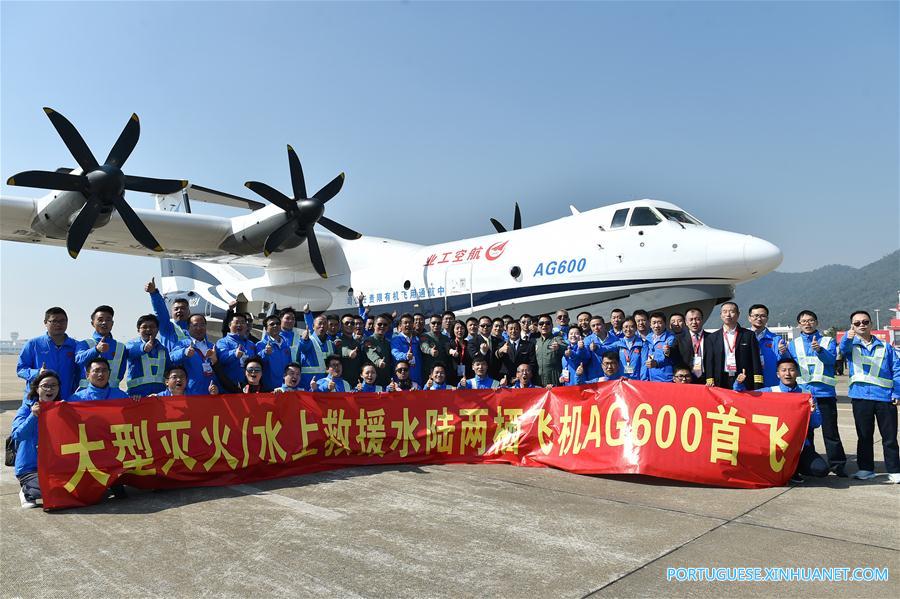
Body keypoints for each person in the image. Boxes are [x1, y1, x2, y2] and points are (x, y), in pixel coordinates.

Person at [735, 357, 828, 484]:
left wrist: (811, 411)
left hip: (798, 447)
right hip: (773, 446)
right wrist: (739, 384)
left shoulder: (806, 394)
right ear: (778, 374)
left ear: (797, 373)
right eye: (783, 370)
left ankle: (795, 468)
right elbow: (744, 398)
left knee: (821, 470)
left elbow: (816, 424)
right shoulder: (770, 392)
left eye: (791, 370)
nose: (787, 373)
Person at [839, 311, 900, 482]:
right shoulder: (851, 345)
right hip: (861, 398)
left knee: (889, 437)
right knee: (864, 436)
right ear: (852, 326)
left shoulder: (886, 347)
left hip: (885, 398)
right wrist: (847, 336)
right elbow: (842, 350)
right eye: (857, 323)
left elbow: (897, 370)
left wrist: (897, 392)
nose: (861, 325)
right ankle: (866, 469)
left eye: (865, 321)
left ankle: (895, 470)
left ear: (871, 324)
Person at [788, 309, 847, 477]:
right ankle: (810, 464)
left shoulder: (828, 341)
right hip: (803, 396)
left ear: (817, 322)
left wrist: (820, 350)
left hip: (824, 394)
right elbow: (790, 366)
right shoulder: (794, 343)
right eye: (803, 321)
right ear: (798, 324)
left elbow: (831, 362)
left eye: (811, 320)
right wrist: (783, 352)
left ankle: (838, 465)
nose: (807, 323)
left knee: (830, 432)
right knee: (806, 433)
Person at [11, 371, 62, 508]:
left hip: (53, 465)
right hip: (30, 467)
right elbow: (17, 435)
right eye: (45, 386)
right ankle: (26, 491)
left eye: (53, 385)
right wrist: (33, 416)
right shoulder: (26, 409)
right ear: (37, 389)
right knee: (49, 488)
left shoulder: (62, 409)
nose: (50, 389)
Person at [16, 307, 80, 400]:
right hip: (38, 399)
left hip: (66, 399)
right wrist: (38, 373)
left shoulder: (76, 346)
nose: (58, 324)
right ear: (45, 322)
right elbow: (21, 369)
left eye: (62, 321)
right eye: (54, 321)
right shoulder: (33, 344)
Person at [703, 302, 762, 390]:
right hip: (720, 379)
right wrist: (710, 379)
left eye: (731, 311)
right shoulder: (712, 337)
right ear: (721, 315)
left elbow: (755, 360)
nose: (728, 314)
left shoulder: (749, 335)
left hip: (743, 378)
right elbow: (709, 361)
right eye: (724, 311)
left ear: (738, 314)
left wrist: (758, 384)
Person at [75, 305, 127, 390]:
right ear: (92, 323)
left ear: (112, 323)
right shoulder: (84, 344)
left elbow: (121, 373)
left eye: (108, 320)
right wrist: (96, 350)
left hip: (112, 395)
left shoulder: (121, 347)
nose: (104, 322)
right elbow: (78, 360)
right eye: (100, 320)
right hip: (87, 395)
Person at [170, 314, 222, 396]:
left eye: (202, 325)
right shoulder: (182, 344)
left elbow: (219, 369)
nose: (199, 328)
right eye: (195, 325)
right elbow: (172, 357)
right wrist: (184, 352)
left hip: (211, 393)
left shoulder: (212, 346)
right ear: (188, 327)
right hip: (191, 393)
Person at [125, 314, 172, 398]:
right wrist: (143, 348)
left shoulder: (163, 350)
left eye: (152, 326)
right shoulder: (131, 345)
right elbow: (130, 351)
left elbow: (168, 372)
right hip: (137, 397)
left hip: (158, 396)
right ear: (138, 330)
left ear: (157, 329)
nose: (148, 329)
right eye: (144, 327)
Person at [747, 303, 788, 387]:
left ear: (767, 318)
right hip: (749, 384)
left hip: (771, 384)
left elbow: (785, 362)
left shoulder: (777, 340)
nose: (759, 319)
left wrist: (783, 352)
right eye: (756, 316)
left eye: (763, 316)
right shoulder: (742, 338)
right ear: (749, 318)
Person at [145, 277, 190, 352]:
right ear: (171, 313)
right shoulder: (166, 327)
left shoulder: (196, 328)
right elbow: (160, 311)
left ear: (189, 312)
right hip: (171, 363)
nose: (179, 311)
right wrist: (154, 293)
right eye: (176, 309)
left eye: (183, 308)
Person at [216, 313, 258, 388]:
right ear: (229, 325)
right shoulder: (222, 342)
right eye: (237, 322)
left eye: (242, 322)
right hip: (229, 387)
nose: (239, 325)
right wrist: (234, 354)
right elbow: (222, 358)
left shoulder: (251, 344)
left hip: (248, 387)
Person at [296, 314, 334, 389]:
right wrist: (304, 340)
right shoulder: (308, 341)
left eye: (325, 324)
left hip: (325, 386)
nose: (322, 326)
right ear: (313, 326)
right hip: (307, 385)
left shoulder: (331, 344)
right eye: (320, 323)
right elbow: (303, 348)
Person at [257, 315, 292, 392]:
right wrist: (265, 353)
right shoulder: (260, 345)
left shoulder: (287, 344)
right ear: (266, 329)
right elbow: (258, 363)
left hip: (285, 389)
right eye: (272, 324)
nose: (275, 325)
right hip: (268, 390)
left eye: (277, 323)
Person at [644, 311, 679, 382]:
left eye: (659, 322)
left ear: (665, 324)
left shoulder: (671, 338)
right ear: (650, 325)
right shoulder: (648, 337)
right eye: (654, 323)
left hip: (666, 379)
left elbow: (670, 357)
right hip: (651, 378)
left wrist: (657, 363)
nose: (656, 326)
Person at [677, 307, 708, 384]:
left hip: (708, 378)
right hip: (686, 379)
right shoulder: (678, 339)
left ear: (702, 320)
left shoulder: (712, 338)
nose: (694, 322)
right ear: (686, 322)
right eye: (691, 319)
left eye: (697, 319)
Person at [391, 314, 424, 386]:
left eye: (410, 322)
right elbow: (395, 353)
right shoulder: (396, 339)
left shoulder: (417, 339)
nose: (408, 325)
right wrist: (405, 356)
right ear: (400, 325)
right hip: (402, 378)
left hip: (417, 377)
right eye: (405, 323)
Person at [534, 315, 565, 387]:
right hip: (538, 382)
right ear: (538, 326)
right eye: (541, 323)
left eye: (547, 323)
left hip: (554, 381)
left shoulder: (558, 339)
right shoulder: (535, 342)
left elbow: (567, 351)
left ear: (552, 325)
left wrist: (559, 348)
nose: (544, 325)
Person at [363, 314, 393, 387]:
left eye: (385, 325)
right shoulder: (369, 340)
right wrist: (378, 361)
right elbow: (371, 353)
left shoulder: (388, 342)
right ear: (374, 326)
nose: (382, 326)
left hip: (386, 381)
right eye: (379, 324)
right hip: (372, 382)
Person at [420, 314, 451, 381]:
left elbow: (448, 352)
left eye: (438, 323)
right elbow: (423, 346)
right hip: (429, 374)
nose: (436, 325)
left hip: (442, 374)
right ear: (429, 324)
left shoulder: (446, 338)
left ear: (442, 324)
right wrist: (430, 351)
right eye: (433, 323)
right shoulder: (425, 336)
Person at [584, 315, 615, 380]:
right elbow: (584, 358)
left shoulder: (615, 338)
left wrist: (597, 348)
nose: (596, 328)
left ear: (604, 325)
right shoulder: (587, 340)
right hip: (595, 378)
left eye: (598, 324)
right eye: (593, 326)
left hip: (612, 377)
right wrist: (581, 349)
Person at [337, 314, 363, 387]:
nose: (350, 325)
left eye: (352, 323)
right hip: (342, 382)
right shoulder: (338, 341)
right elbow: (342, 349)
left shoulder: (357, 343)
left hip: (356, 382)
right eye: (347, 323)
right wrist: (349, 352)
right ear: (341, 326)